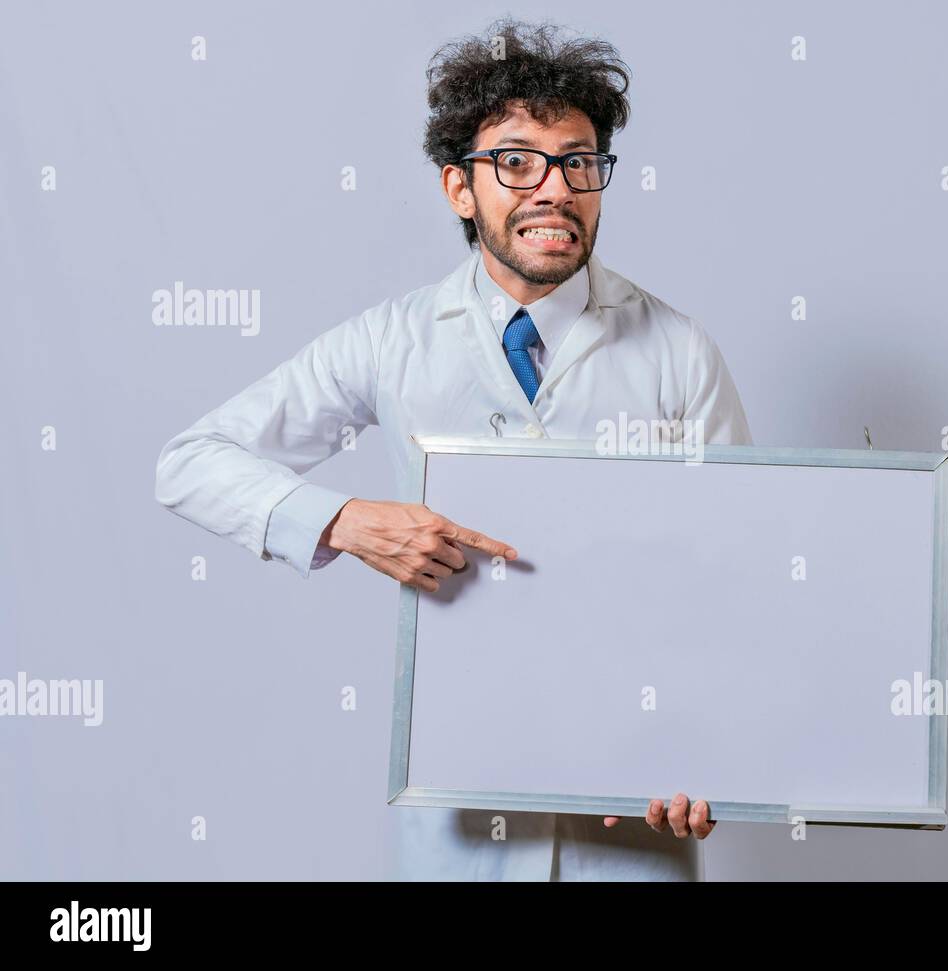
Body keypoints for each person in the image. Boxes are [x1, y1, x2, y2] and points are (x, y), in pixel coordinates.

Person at [154, 18, 751, 881]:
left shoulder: (678, 350)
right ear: (458, 188)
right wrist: (346, 521)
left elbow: (739, 579)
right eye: (516, 162)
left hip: (636, 809)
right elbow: (191, 459)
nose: (554, 188)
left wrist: (708, 743)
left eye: (578, 161)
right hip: (462, 816)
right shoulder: (394, 340)